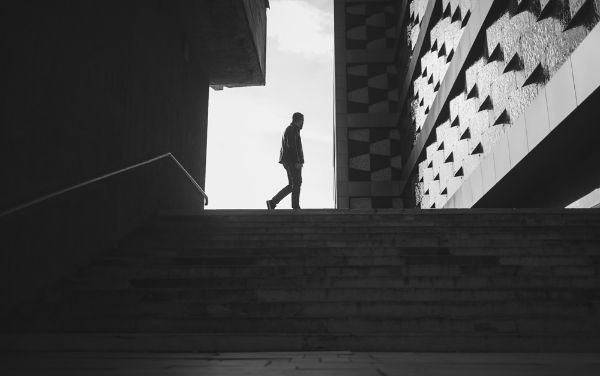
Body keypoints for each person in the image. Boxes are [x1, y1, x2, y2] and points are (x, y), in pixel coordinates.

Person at [267, 112, 304, 210]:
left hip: (290, 161)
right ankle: (294, 206)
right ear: (299, 120)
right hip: (292, 161)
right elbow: (292, 146)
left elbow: (293, 146)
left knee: (294, 184)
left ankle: (273, 202)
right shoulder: (291, 130)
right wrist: (297, 161)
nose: (303, 123)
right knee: (296, 183)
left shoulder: (292, 130)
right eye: (302, 121)